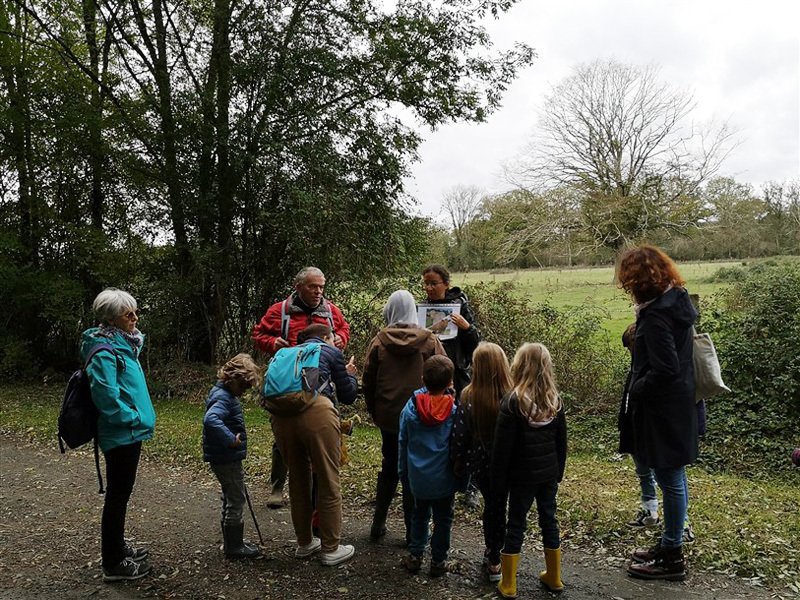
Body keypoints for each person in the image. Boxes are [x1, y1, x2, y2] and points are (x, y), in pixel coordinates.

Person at [617, 245, 698, 582]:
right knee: (673, 478)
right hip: (677, 404)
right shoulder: (675, 299)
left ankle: (672, 557)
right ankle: (668, 545)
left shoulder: (657, 315)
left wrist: (637, 388)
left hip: (664, 409)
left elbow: (665, 368)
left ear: (639, 282)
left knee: (670, 479)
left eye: (629, 281)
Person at [252, 267, 351, 509]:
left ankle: (319, 492)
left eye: (321, 287)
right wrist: (273, 342)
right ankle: (277, 487)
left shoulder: (330, 311)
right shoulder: (281, 311)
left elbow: (344, 329)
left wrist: (340, 339)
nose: (318, 292)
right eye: (312, 287)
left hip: (322, 383)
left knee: (320, 435)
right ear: (298, 287)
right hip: (290, 381)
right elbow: (258, 334)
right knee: (284, 435)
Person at [81, 288, 156, 582]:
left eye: (135, 311)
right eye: (129, 314)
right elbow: (106, 397)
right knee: (117, 496)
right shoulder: (104, 350)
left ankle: (118, 548)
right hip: (121, 433)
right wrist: (133, 418)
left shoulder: (124, 344)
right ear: (111, 320)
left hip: (129, 432)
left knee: (120, 495)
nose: (135, 318)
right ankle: (113, 562)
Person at [270, 323, 359, 566]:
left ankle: (305, 543)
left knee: (298, 479)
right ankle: (331, 549)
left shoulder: (287, 353)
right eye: (332, 338)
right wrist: (350, 373)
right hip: (316, 412)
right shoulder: (330, 352)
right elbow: (349, 395)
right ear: (325, 338)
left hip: (281, 416)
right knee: (328, 479)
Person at [362, 290, 446, 543]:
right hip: (422, 414)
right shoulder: (429, 340)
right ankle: (413, 531)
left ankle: (378, 524)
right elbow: (443, 374)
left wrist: (375, 411)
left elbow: (368, 380)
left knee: (389, 466)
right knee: (414, 469)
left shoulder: (379, 341)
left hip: (389, 416)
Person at [491, 343, 567, 597]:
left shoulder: (512, 402)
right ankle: (554, 576)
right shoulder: (555, 400)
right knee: (550, 520)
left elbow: (502, 449)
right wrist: (559, 472)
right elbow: (561, 443)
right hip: (548, 474)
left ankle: (509, 583)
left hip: (521, 476)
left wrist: (498, 481)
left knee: (516, 523)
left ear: (519, 366)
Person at [620, 323, 696, 543]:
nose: (631, 353)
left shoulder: (662, 367)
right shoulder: (640, 368)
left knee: (672, 479)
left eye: (632, 348)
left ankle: (681, 525)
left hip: (657, 427)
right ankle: (650, 511)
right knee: (644, 470)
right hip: (637, 424)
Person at [450, 342, 512, 583]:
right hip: (508, 465)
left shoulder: (468, 396)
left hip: (481, 466)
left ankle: (494, 556)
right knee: (500, 507)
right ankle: (500, 553)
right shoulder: (513, 396)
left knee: (493, 508)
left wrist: (457, 460)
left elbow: (460, 434)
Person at [421, 264, 482, 509]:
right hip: (431, 377)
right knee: (437, 428)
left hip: (458, 377)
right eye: (426, 283)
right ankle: (439, 480)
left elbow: (477, 345)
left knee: (466, 428)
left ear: (446, 283)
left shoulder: (461, 306)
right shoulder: (422, 309)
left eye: (434, 283)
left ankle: (471, 487)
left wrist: (466, 327)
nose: (429, 288)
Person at [398, 355, 458, 578]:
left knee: (419, 516)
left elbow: (402, 441)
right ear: (450, 383)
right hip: (444, 478)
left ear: (423, 379)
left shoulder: (411, 408)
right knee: (444, 519)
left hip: (418, 477)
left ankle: (415, 557)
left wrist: (403, 472)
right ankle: (439, 561)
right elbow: (459, 445)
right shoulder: (454, 410)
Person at [202, 353, 261, 559]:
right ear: (232, 379)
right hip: (226, 457)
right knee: (236, 497)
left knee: (230, 495)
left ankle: (232, 541)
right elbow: (211, 420)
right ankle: (234, 546)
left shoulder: (223, 393)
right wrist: (230, 439)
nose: (244, 393)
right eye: (243, 388)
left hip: (223, 457)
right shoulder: (222, 398)